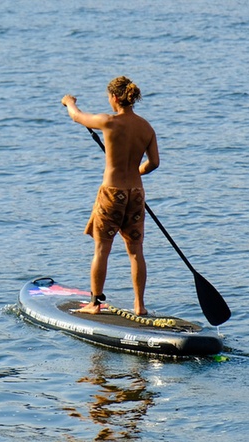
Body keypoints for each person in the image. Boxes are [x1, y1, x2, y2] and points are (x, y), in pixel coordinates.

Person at [61, 76, 159, 315]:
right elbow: (154, 163)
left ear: (114, 98)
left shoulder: (108, 122)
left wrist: (69, 102)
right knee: (136, 250)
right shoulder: (146, 127)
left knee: (102, 249)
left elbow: (77, 116)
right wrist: (136, 172)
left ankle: (94, 304)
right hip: (136, 194)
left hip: (112, 194)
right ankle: (140, 305)